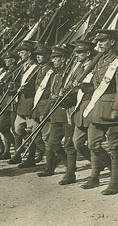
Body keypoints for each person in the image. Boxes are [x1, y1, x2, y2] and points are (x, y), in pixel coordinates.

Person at [81, 29, 118, 195]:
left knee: (114, 148)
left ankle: (114, 182)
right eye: (98, 41)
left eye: (103, 41)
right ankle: (110, 170)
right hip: (97, 108)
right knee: (93, 143)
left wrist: (117, 108)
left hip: (111, 110)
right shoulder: (98, 61)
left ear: (112, 42)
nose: (99, 44)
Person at [59, 40, 96, 185]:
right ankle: (71, 172)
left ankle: (96, 172)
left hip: (89, 108)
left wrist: (78, 87)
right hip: (74, 108)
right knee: (74, 143)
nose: (77, 55)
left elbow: (95, 88)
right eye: (76, 52)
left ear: (88, 53)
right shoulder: (77, 68)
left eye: (80, 52)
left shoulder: (94, 67)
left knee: (92, 143)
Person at [37, 46, 72, 178]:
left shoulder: (68, 74)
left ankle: (69, 171)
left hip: (66, 113)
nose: (53, 61)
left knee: (70, 144)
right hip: (55, 114)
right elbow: (51, 97)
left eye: (55, 58)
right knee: (52, 143)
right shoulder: (55, 75)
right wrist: (45, 113)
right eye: (52, 58)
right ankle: (57, 166)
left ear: (63, 59)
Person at [20, 43, 53, 167]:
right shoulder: (39, 69)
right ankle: (32, 158)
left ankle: (53, 161)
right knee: (33, 133)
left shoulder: (50, 70)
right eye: (37, 55)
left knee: (45, 136)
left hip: (45, 105)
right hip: (36, 105)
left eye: (41, 55)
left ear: (48, 56)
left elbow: (49, 90)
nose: (38, 57)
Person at [8, 41, 38, 165]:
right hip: (21, 103)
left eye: (22, 52)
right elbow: (19, 85)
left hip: (31, 103)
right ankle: (18, 154)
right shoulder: (22, 67)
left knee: (31, 132)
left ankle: (31, 158)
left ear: (29, 53)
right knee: (18, 129)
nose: (20, 54)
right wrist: (12, 87)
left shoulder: (36, 68)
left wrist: (25, 89)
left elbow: (37, 87)